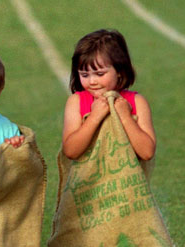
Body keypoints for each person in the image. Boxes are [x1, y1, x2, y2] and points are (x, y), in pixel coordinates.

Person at [62, 29, 155, 161]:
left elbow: (147, 153)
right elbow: (70, 151)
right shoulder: (76, 102)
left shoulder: (137, 102)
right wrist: (94, 117)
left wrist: (125, 117)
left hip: (128, 180)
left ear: (119, 70)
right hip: (89, 181)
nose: (92, 81)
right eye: (84, 75)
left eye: (100, 74)